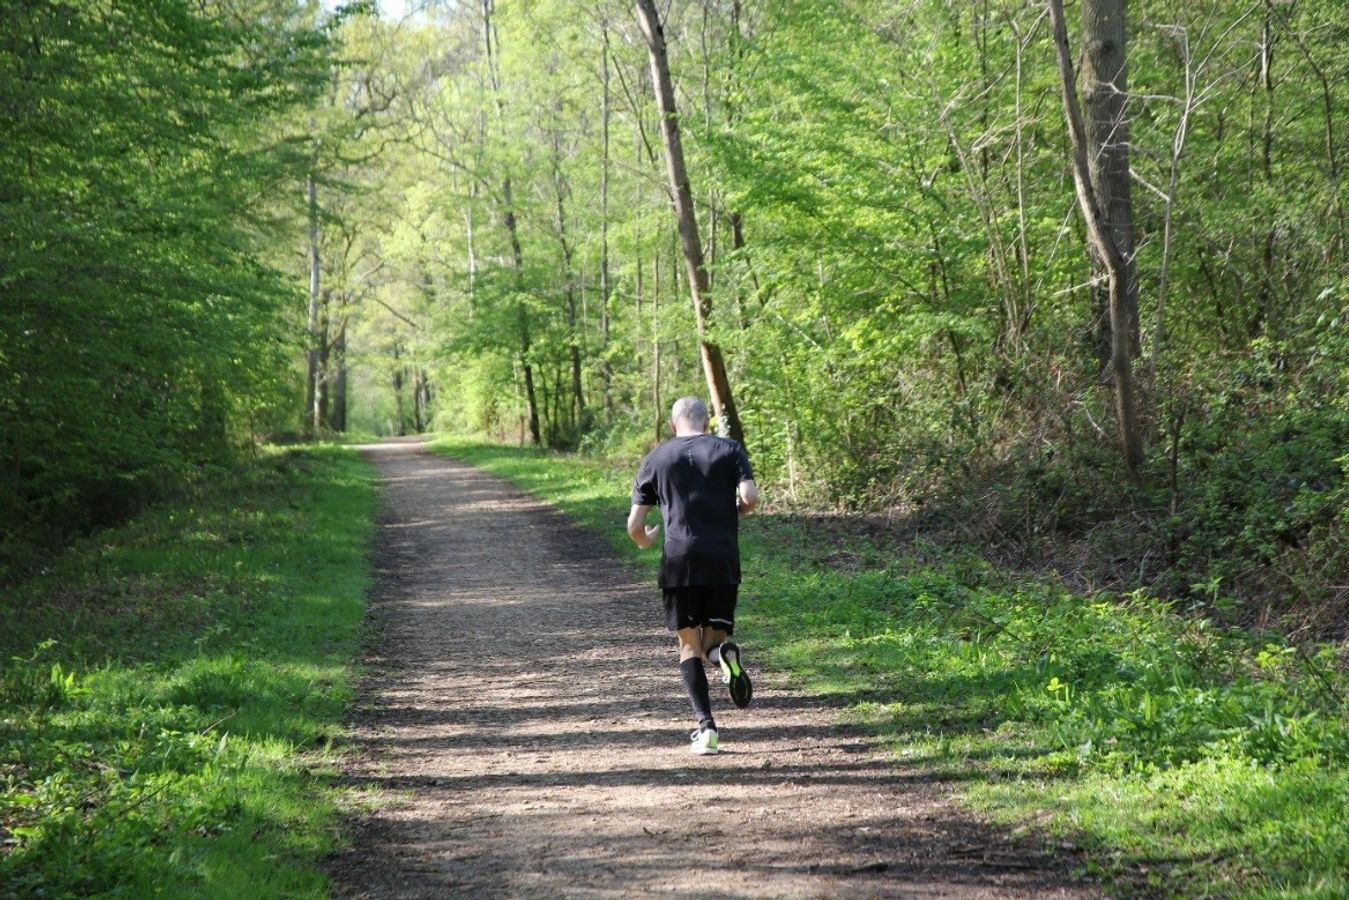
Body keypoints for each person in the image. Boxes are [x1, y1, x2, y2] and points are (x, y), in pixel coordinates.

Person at [627, 396, 759, 755]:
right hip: (722, 559)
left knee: (688, 646)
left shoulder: (657, 457)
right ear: (707, 422)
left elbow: (635, 525)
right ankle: (722, 656)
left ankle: (707, 730)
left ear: (672, 425)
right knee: (713, 641)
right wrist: (729, 512)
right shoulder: (729, 449)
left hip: (679, 562)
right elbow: (750, 497)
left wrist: (646, 540)